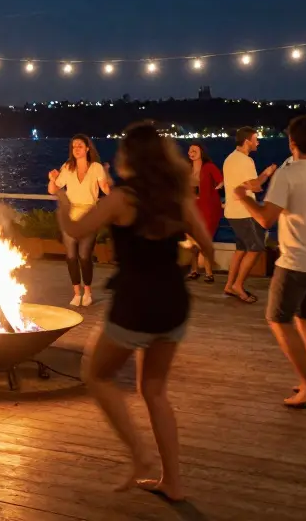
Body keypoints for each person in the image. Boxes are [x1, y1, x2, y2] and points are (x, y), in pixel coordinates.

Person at [56, 121, 213, 502]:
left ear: (131, 157)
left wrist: (61, 199)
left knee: (95, 375)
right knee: (154, 390)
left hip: (136, 304)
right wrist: (176, 251)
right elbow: (206, 246)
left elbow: (76, 231)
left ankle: (140, 454)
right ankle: (172, 481)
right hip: (174, 304)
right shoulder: (177, 198)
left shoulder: (122, 199)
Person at [234, 115, 306, 407]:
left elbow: (265, 218)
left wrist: (242, 196)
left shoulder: (288, 174)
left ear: (292, 142)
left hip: (297, 261)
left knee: (277, 319)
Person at [46, 134, 112, 307]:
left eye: (80, 146)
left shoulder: (96, 167)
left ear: (87, 148)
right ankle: (76, 293)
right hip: (71, 216)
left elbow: (105, 188)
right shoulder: (67, 167)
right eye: (74, 146)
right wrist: (52, 179)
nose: (76, 148)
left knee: (84, 256)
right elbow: (53, 190)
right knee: (71, 256)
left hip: (90, 216)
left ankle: (87, 292)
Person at [222, 127, 277, 304]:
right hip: (244, 212)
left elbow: (247, 185)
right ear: (247, 141)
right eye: (256, 139)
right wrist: (267, 174)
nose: (258, 142)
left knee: (241, 249)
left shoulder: (229, 158)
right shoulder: (246, 161)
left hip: (232, 211)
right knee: (256, 248)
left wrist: (255, 182)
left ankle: (229, 285)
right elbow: (255, 187)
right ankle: (238, 285)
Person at [186, 143, 223, 284]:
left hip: (207, 208)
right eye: (190, 150)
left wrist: (211, 192)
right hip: (192, 209)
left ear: (201, 152)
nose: (191, 152)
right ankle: (194, 270)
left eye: (194, 150)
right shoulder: (188, 169)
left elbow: (221, 181)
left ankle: (209, 272)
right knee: (193, 241)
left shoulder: (209, 167)